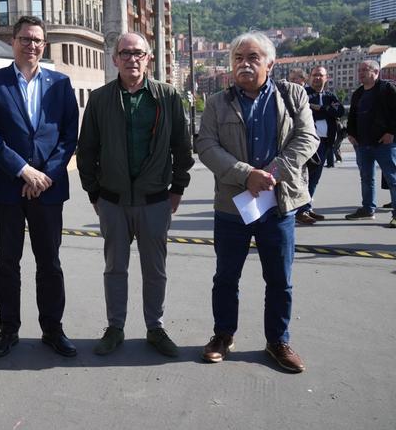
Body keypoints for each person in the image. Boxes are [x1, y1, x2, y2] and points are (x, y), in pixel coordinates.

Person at [195, 31, 318, 373]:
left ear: (270, 63)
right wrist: (245, 173)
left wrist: (272, 172)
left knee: (280, 279)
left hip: (278, 204)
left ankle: (277, 341)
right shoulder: (218, 102)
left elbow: (307, 138)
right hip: (233, 206)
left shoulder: (292, 95)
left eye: (252, 58)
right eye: (238, 58)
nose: (244, 64)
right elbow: (206, 145)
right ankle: (223, 335)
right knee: (226, 277)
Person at [76, 32, 193, 358]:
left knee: (155, 270)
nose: (131, 58)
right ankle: (115, 327)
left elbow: (182, 148)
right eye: (124, 53)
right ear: (114, 59)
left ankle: (155, 328)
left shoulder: (167, 97)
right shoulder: (100, 99)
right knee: (115, 268)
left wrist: (178, 188)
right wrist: (94, 193)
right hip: (112, 201)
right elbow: (86, 151)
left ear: (148, 58)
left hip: (155, 201)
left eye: (138, 52)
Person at [0, 15, 79, 358]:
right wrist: (23, 171)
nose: (31, 45)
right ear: (13, 42)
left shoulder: (60, 84)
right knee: (7, 262)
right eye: (25, 39)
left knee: (49, 262)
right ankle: (9, 330)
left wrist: (44, 175)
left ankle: (53, 329)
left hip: (48, 189)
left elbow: (68, 137)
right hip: (7, 188)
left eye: (37, 40)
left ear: (44, 45)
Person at [344, 60, 396, 228]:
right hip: (362, 144)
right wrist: (350, 134)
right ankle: (367, 209)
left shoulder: (387, 89)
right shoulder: (358, 93)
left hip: (384, 143)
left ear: (376, 72)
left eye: (365, 70)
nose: (361, 73)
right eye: (359, 70)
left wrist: (391, 133)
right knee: (366, 178)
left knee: (393, 178)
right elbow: (352, 116)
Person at [295, 66, 344, 224]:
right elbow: (304, 110)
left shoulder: (330, 96)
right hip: (307, 141)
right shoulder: (304, 93)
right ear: (309, 77)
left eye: (320, 75)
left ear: (326, 78)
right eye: (314, 75)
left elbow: (339, 111)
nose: (317, 78)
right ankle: (301, 210)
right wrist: (325, 111)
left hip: (325, 141)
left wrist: (322, 108)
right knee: (304, 176)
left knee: (315, 177)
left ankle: (307, 207)